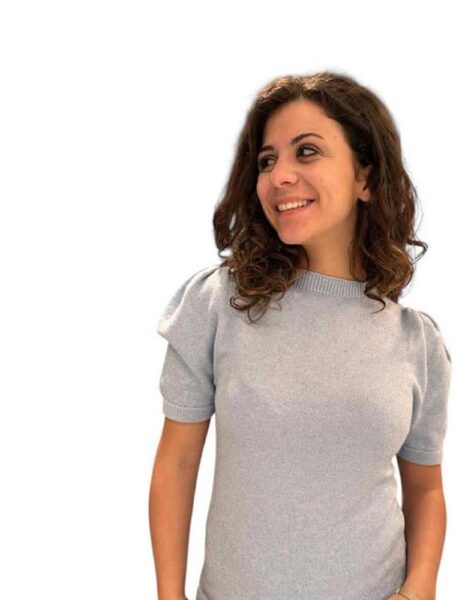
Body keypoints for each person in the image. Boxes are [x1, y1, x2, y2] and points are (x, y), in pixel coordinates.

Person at [149, 71, 453, 600]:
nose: (279, 176)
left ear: (365, 179)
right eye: (267, 161)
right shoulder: (219, 303)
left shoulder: (417, 343)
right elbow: (176, 464)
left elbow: (425, 488)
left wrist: (419, 587)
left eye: (306, 151)